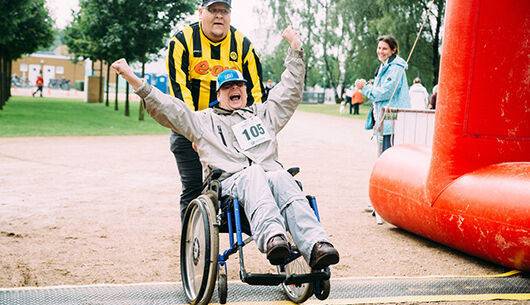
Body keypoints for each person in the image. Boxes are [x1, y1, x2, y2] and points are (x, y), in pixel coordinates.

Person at [112, 26, 340, 270]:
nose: (235, 89)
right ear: (218, 94)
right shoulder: (204, 121)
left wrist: (296, 50)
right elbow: (170, 109)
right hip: (230, 185)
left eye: (239, 85)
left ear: (245, 90)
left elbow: (289, 91)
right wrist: (132, 78)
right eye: (228, 86)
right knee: (252, 174)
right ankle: (273, 237)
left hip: (269, 179)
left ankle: (317, 244)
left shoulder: (263, 114)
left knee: (281, 176)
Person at [166, 0, 265, 221]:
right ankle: (192, 249)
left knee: (247, 182)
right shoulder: (182, 41)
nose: (219, 16)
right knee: (192, 190)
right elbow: (180, 92)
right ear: (201, 12)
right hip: (190, 127)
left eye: (224, 11)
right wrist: (194, 132)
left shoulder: (243, 45)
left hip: (232, 130)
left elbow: (256, 92)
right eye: (213, 10)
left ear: (230, 15)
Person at [355, 35, 410, 154]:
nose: (380, 52)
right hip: (385, 124)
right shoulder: (386, 66)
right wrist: (372, 85)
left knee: (388, 160)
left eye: (384, 49)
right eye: (379, 48)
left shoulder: (395, 68)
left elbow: (384, 93)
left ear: (393, 50)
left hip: (392, 125)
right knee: (384, 158)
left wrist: (365, 87)